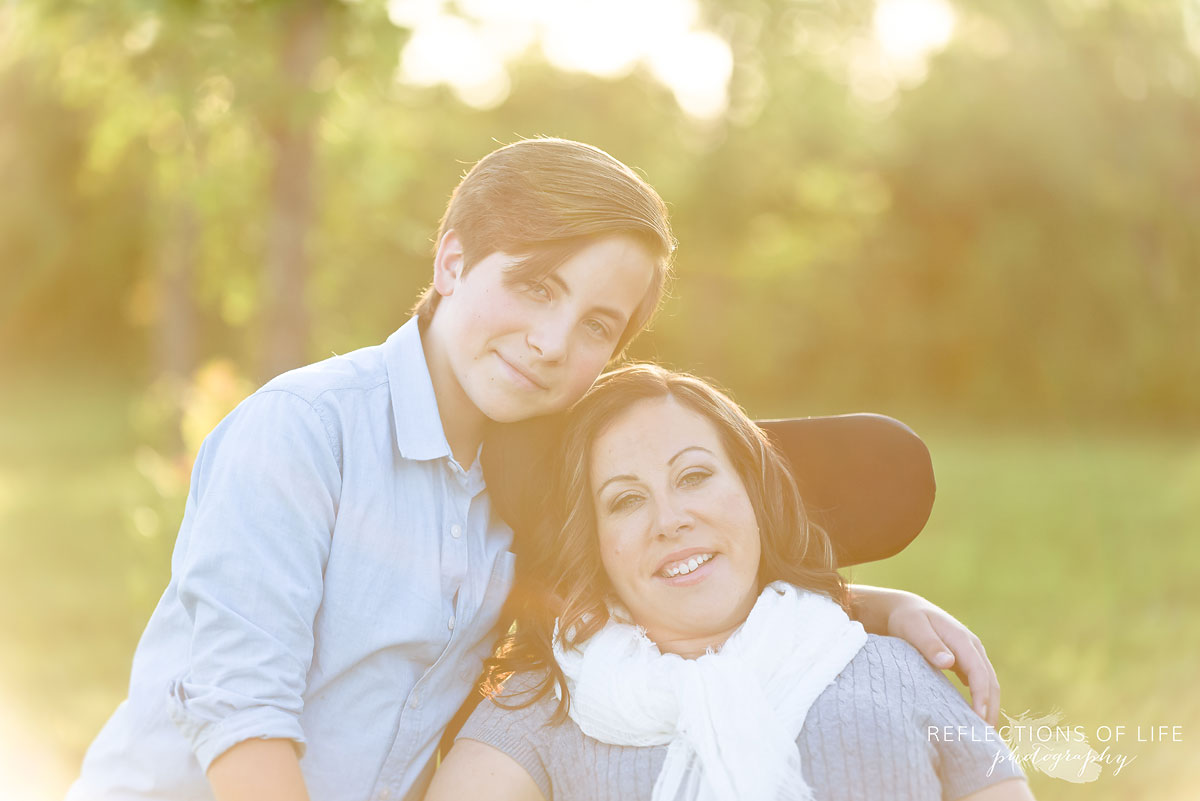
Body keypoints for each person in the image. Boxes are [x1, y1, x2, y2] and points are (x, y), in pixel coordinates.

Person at [69, 139, 997, 801]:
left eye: (598, 324)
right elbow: (241, 717)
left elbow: (672, 579)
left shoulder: (543, 473)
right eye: (536, 285)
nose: (554, 342)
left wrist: (874, 609)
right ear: (453, 258)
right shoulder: (303, 432)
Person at [429, 364, 1033, 801]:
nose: (670, 521)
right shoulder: (544, 700)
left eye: (693, 476)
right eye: (627, 500)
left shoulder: (898, 668)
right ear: (597, 546)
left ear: (754, 491)